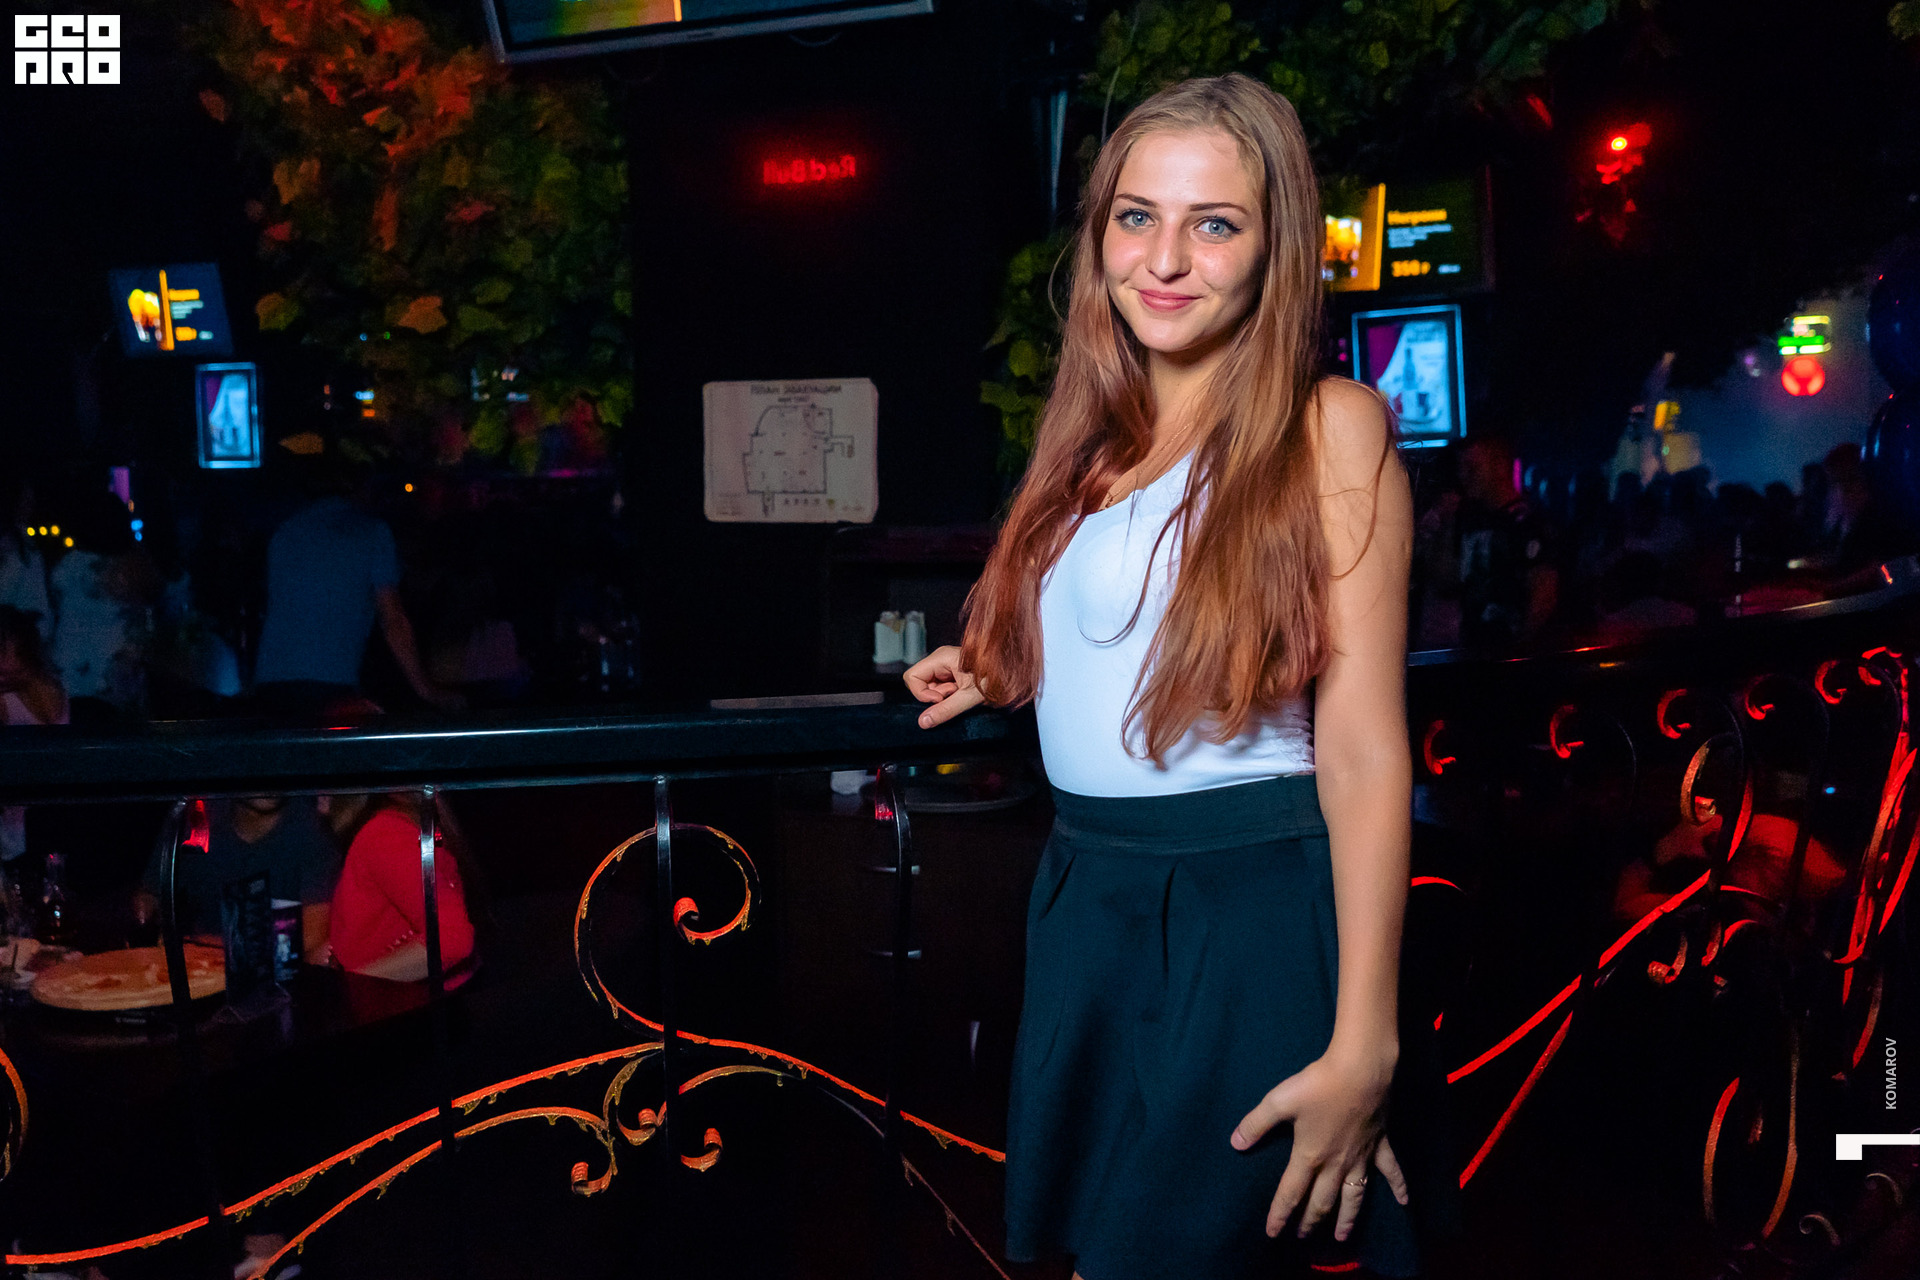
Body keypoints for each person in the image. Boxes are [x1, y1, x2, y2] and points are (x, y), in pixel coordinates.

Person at [905, 75, 1446, 1279]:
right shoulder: (1093, 447)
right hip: (1091, 899)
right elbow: (1136, 621)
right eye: (1136, 217)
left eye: (1215, 224)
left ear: (1275, 246)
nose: (1163, 259)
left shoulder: (1328, 424)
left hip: (1244, 913)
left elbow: (1363, 745)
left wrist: (1365, 1041)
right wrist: (1006, 661)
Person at [251, 455, 461, 716]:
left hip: (270, 684)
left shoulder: (285, 532)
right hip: (330, 686)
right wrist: (426, 690)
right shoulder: (372, 532)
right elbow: (393, 620)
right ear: (363, 487)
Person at [137, 796, 341, 962]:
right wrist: (144, 920)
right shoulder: (197, 814)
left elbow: (311, 937)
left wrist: (202, 945)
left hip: (274, 980)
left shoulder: (312, 831)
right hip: (194, 973)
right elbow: (150, 894)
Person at [324, 792, 475, 983]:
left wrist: (353, 988)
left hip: (410, 999)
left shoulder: (384, 834)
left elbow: (451, 940)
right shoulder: (400, 825)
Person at [48, 489, 159, 720]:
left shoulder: (66, 567)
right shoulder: (136, 568)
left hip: (70, 666)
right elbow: (153, 608)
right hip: (118, 668)